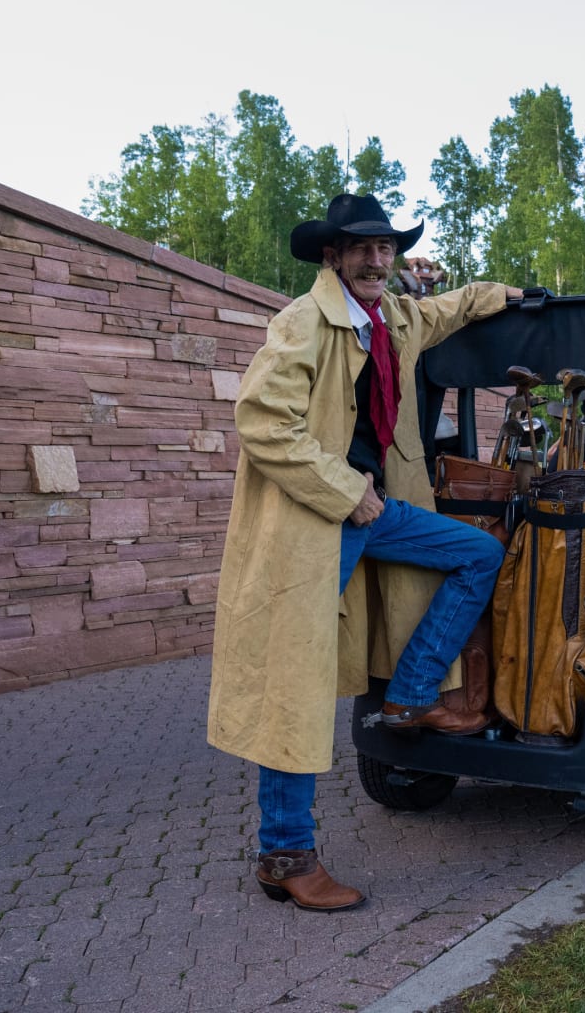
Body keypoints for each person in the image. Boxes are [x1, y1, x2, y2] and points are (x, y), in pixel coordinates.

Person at [207, 194, 524, 912]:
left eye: (385, 248)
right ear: (333, 257)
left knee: (477, 553)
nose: (376, 259)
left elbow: (444, 311)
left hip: (375, 510)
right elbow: (263, 420)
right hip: (316, 523)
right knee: (296, 685)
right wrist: (346, 490)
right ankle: (285, 854)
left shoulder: (392, 317)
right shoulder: (301, 323)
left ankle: (412, 694)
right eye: (362, 249)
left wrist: (501, 295)